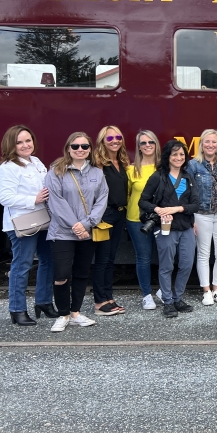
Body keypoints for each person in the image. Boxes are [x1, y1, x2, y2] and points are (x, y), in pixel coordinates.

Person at [45, 132, 107, 332]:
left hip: (86, 232)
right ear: (68, 148)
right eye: (76, 146)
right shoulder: (56, 171)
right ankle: (62, 314)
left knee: (81, 273)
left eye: (85, 146)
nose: (80, 150)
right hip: (62, 233)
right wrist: (76, 225)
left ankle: (75, 313)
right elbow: (55, 201)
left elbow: (101, 200)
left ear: (90, 149)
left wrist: (87, 224)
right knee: (62, 274)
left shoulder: (97, 173)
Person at [0, 125, 55, 326]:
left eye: (28, 140)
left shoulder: (36, 162)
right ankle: (17, 309)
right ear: (11, 145)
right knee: (22, 265)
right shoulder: (7, 168)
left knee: (49, 261)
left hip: (44, 220)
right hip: (23, 224)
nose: (25, 145)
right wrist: (35, 199)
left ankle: (44, 302)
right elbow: (5, 198)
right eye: (19, 142)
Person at [139, 140, 199, 318]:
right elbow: (143, 201)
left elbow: (195, 204)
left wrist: (177, 209)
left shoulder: (188, 177)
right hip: (165, 228)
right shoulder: (158, 177)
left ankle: (178, 298)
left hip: (186, 227)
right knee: (166, 266)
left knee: (187, 264)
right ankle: (168, 301)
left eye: (181, 154)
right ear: (167, 157)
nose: (178, 158)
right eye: (175, 154)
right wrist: (157, 209)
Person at [188, 129, 217, 306]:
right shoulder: (193, 165)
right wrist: (191, 218)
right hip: (201, 214)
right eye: (207, 142)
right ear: (201, 145)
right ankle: (206, 291)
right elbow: (188, 192)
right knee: (203, 254)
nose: (210, 145)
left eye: (214, 142)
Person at [92, 125, 129, 316]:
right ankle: (100, 302)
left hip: (119, 215)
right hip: (104, 216)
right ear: (102, 141)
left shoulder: (121, 162)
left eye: (118, 137)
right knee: (102, 259)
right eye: (109, 138)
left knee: (111, 259)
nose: (115, 140)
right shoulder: (98, 164)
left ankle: (108, 296)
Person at [126, 130, 161, 310]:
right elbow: (126, 196)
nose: (147, 146)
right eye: (143, 143)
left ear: (156, 145)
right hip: (136, 219)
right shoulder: (131, 170)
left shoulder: (164, 168)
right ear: (138, 147)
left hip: (163, 219)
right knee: (144, 258)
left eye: (151, 142)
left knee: (165, 256)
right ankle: (147, 295)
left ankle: (163, 291)